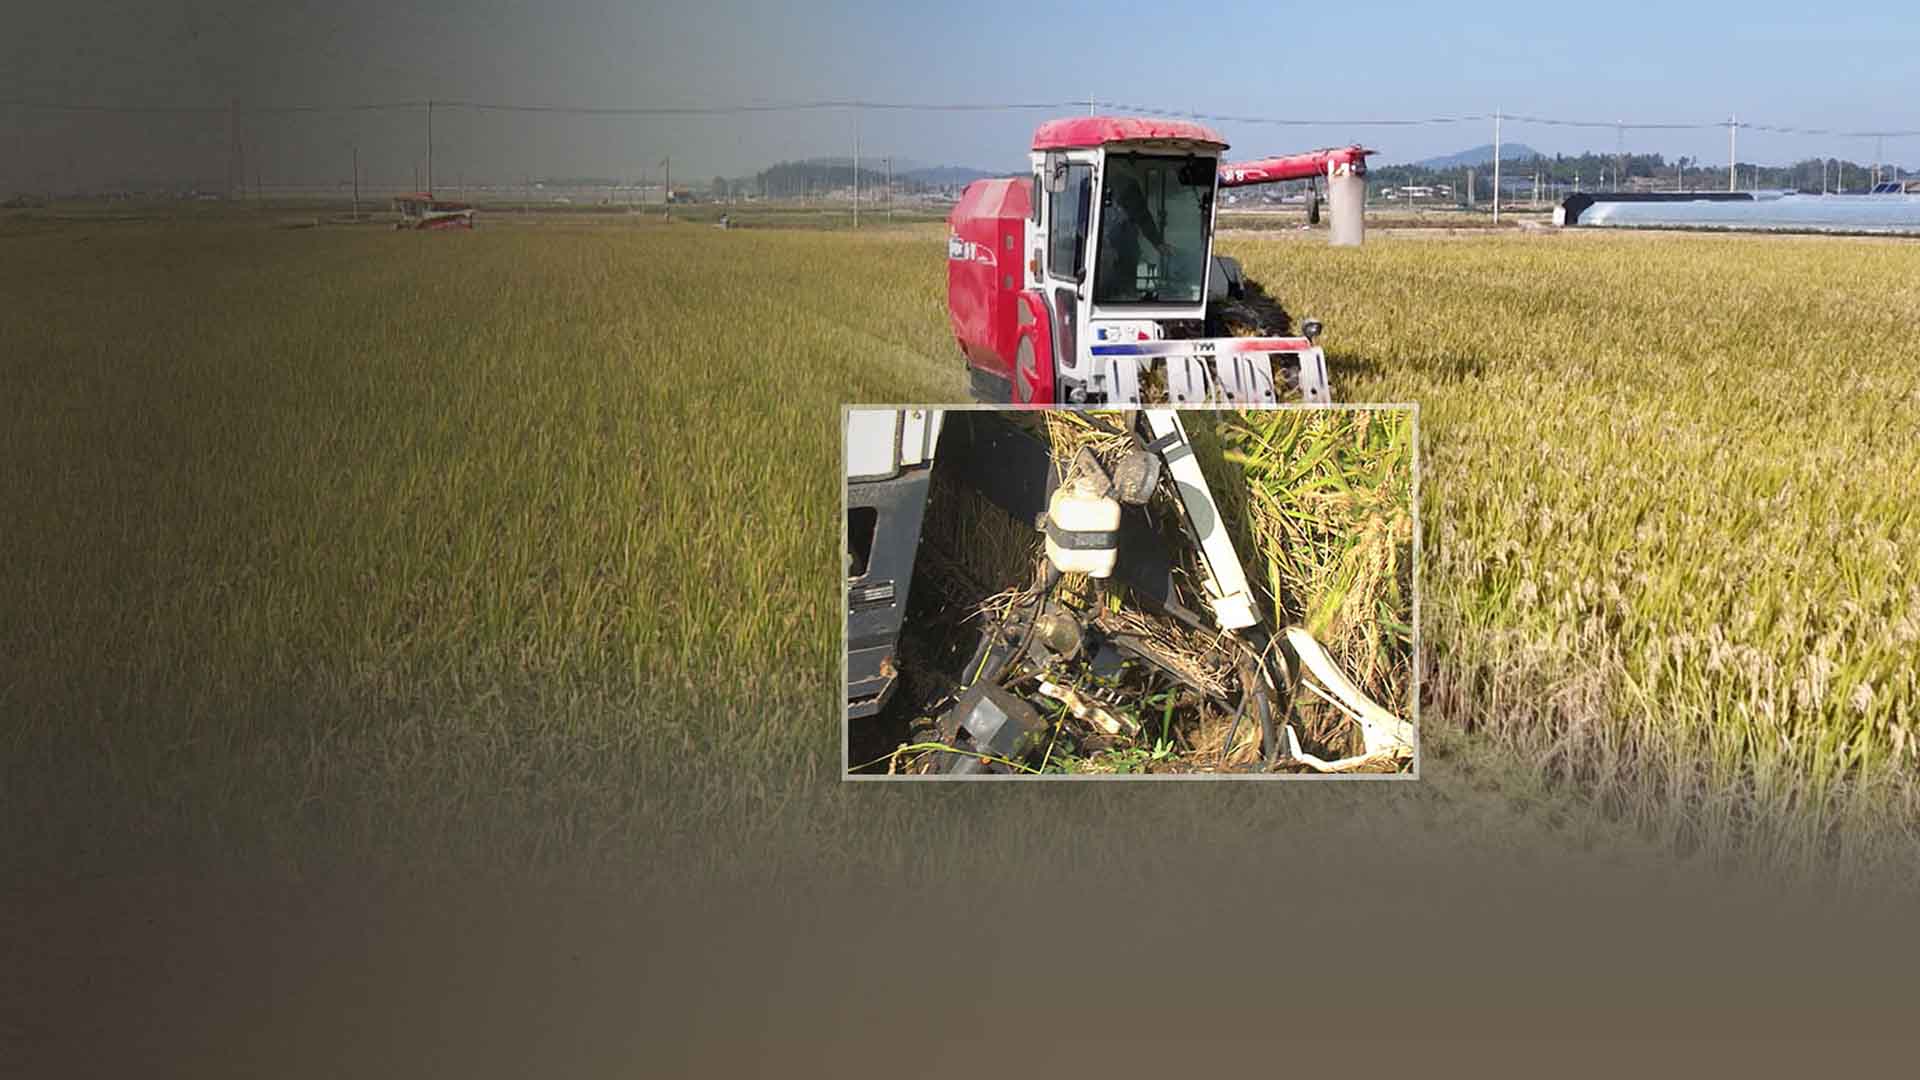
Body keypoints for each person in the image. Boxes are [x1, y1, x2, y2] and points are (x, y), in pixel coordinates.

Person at [1102, 168, 1174, 298]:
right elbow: (1082, 225)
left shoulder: (1128, 186)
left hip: (1125, 254)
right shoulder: (1088, 184)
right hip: (1099, 261)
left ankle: (1128, 295)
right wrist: (1104, 247)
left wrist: (1158, 243)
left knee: (1127, 288)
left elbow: (1143, 217)